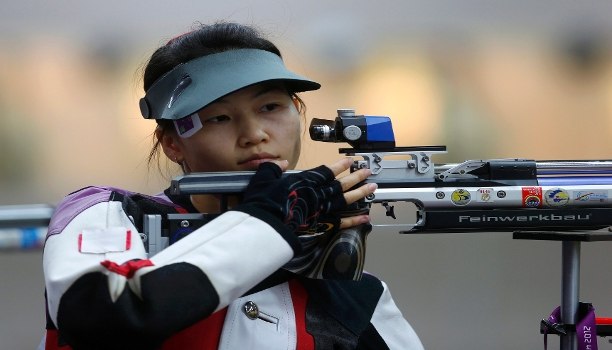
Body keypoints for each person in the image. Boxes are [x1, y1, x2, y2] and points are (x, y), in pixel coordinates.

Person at [41, 22, 424, 350]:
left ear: (299, 112)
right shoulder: (105, 211)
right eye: (220, 117)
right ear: (172, 143)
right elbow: (99, 316)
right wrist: (267, 224)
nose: (255, 134)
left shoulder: (349, 295)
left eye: (271, 107)